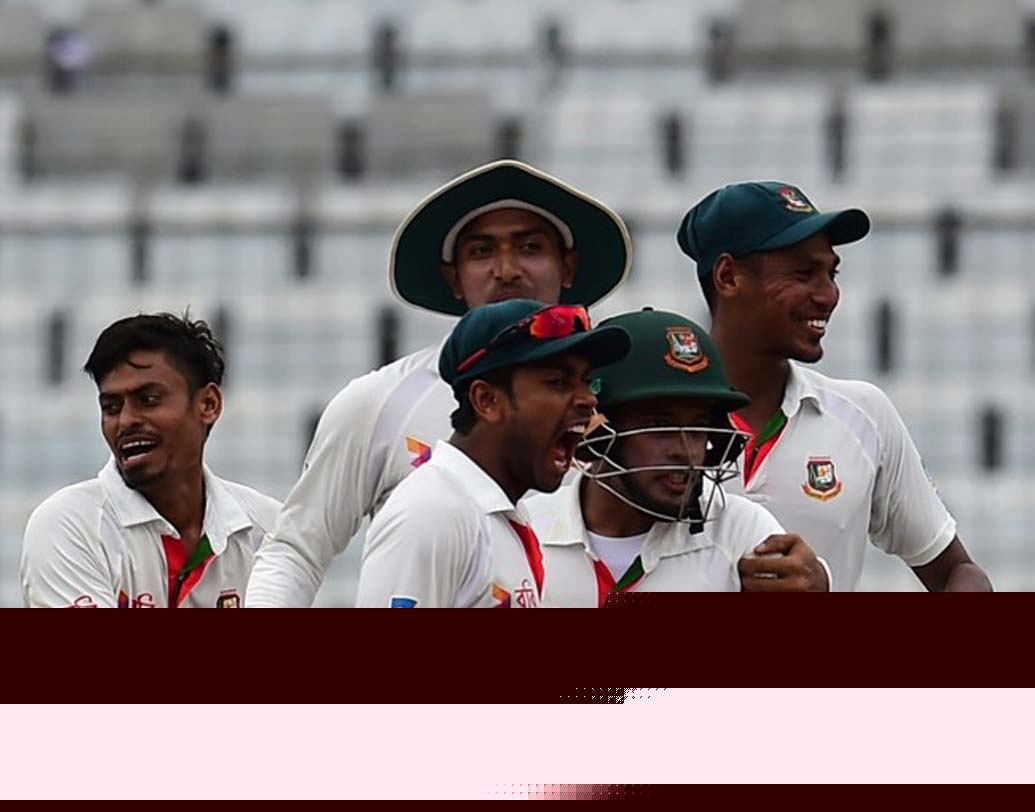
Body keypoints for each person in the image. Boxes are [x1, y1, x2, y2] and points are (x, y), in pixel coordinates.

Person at [247, 160, 631, 606]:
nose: (507, 269)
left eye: (530, 247)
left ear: (568, 266)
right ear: (453, 277)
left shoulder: (627, 403)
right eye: (482, 252)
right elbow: (296, 551)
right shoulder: (381, 402)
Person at [676, 181, 991, 591]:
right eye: (803, 274)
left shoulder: (865, 415)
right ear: (728, 276)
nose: (829, 295)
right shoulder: (649, 426)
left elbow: (959, 572)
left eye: (831, 273)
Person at [526, 308, 830, 605]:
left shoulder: (739, 531)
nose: (686, 451)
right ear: (598, 431)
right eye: (660, 426)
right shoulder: (528, 530)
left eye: (698, 427)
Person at [355, 299, 631, 608]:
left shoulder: (497, 513)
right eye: (559, 382)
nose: (589, 400)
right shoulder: (432, 513)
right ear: (487, 400)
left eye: (587, 382)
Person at [21, 312, 281, 608]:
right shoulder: (68, 525)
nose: (126, 421)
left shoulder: (268, 529)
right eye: (111, 407)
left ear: (209, 404)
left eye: (148, 400)